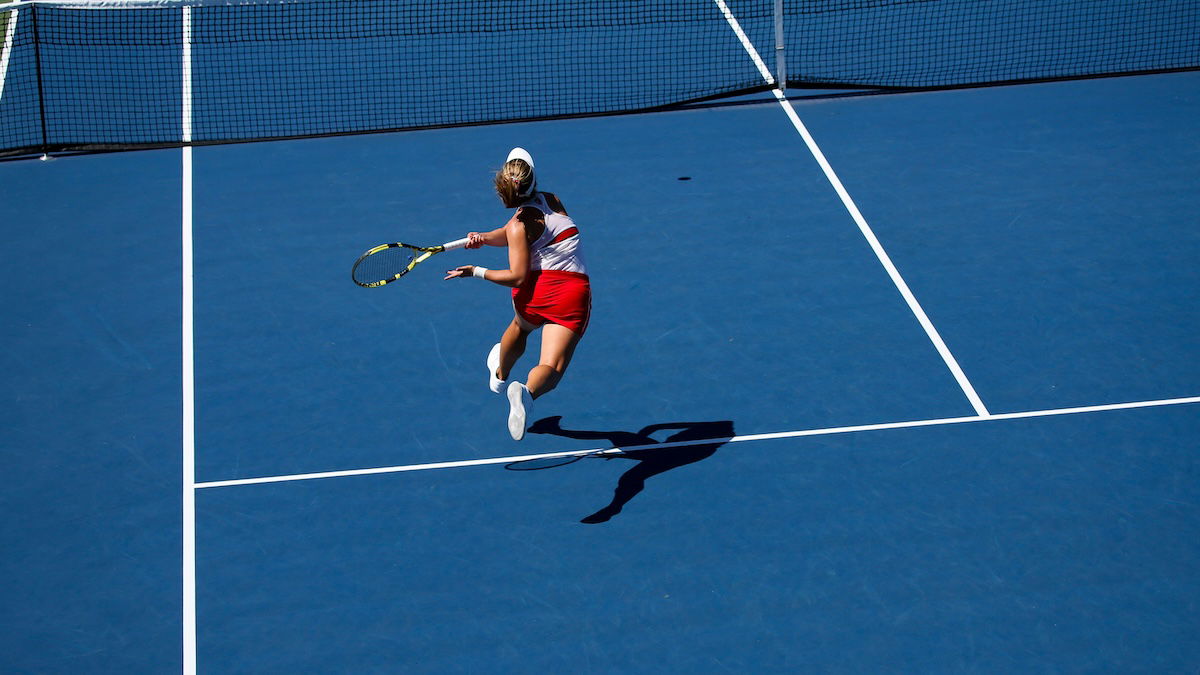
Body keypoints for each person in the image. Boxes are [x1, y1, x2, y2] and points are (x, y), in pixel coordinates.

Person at [445, 148, 591, 441]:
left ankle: (500, 376)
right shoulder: (553, 200)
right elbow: (516, 235)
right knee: (552, 366)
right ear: (532, 180)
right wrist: (484, 239)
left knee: (520, 326)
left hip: (535, 292)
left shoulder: (516, 226)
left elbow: (518, 275)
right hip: (570, 294)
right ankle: (526, 392)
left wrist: (476, 270)